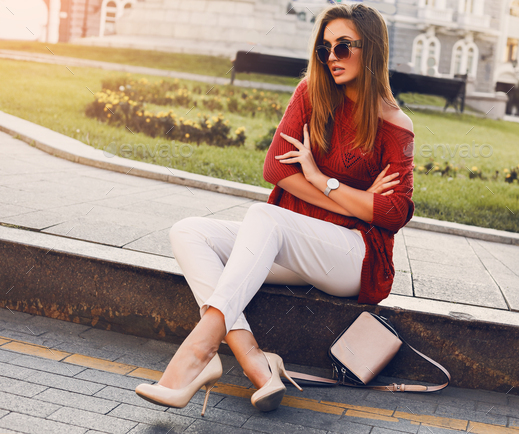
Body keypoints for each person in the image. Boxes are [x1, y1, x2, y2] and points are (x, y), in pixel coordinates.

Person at [135, 3, 415, 416]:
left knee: (264, 217)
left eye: (342, 47)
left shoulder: (395, 124)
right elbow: (276, 170)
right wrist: (358, 202)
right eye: (324, 50)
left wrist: (320, 180)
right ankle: (253, 357)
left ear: (371, 48)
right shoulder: (311, 93)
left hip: (354, 257)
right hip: (293, 240)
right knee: (188, 232)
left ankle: (197, 350)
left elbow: (392, 214)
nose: (331, 59)